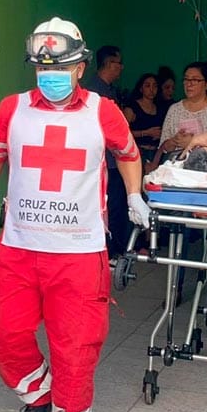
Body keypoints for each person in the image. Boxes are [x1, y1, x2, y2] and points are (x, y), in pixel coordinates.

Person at [0, 17, 150, 412]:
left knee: (77, 349)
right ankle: (40, 392)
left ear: (80, 67)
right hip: (18, 247)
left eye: (60, 67)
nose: (51, 75)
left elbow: (128, 153)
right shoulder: (13, 108)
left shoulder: (103, 111)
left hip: (79, 252)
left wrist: (135, 194)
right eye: (43, 68)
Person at [83, 44, 129, 264]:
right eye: (119, 63)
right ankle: (107, 253)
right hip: (102, 161)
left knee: (117, 206)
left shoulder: (110, 89)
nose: (121, 68)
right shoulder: (94, 92)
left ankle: (115, 251)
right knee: (108, 207)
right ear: (109, 63)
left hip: (114, 159)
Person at [147, 62, 207, 173]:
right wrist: (173, 142)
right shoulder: (175, 109)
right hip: (177, 171)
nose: (189, 84)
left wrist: (194, 143)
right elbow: (163, 146)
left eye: (195, 80)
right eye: (186, 79)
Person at [123, 72, 161, 165]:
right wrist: (146, 133)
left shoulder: (160, 107)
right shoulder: (132, 107)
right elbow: (124, 133)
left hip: (156, 153)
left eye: (155, 86)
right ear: (141, 88)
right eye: (147, 86)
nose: (151, 89)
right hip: (138, 151)